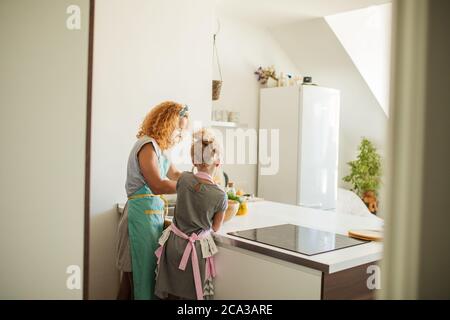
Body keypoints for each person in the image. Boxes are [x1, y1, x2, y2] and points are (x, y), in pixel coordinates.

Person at [116, 101, 189, 300]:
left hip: (150, 219)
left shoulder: (161, 150)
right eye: (178, 130)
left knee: (135, 280)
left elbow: (175, 174)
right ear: (166, 124)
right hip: (138, 220)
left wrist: (199, 179)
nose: (179, 136)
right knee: (135, 280)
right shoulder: (147, 146)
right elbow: (158, 184)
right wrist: (191, 187)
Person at [154, 129, 228, 300]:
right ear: (217, 163)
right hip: (196, 250)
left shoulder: (184, 180)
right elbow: (215, 227)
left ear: (194, 160)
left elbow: (176, 177)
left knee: (171, 292)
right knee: (191, 295)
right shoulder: (220, 195)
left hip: (173, 245)